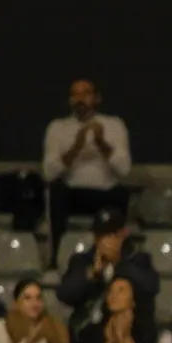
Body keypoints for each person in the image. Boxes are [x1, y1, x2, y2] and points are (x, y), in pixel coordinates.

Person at [42, 78, 131, 261]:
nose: (80, 98)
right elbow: (48, 173)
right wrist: (76, 147)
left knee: (121, 192)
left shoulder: (114, 125)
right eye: (75, 94)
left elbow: (124, 170)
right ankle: (54, 258)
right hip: (73, 194)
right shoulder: (57, 128)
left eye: (86, 93)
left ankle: (116, 258)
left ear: (97, 98)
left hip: (105, 193)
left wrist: (101, 143)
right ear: (69, 100)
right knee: (56, 191)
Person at [56, 206, 159, 336]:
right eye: (101, 236)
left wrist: (118, 264)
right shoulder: (82, 261)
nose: (107, 241)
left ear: (124, 233)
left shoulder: (138, 259)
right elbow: (64, 293)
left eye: (112, 235)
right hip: (88, 336)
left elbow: (150, 287)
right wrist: (92, 274)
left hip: (129, 334)